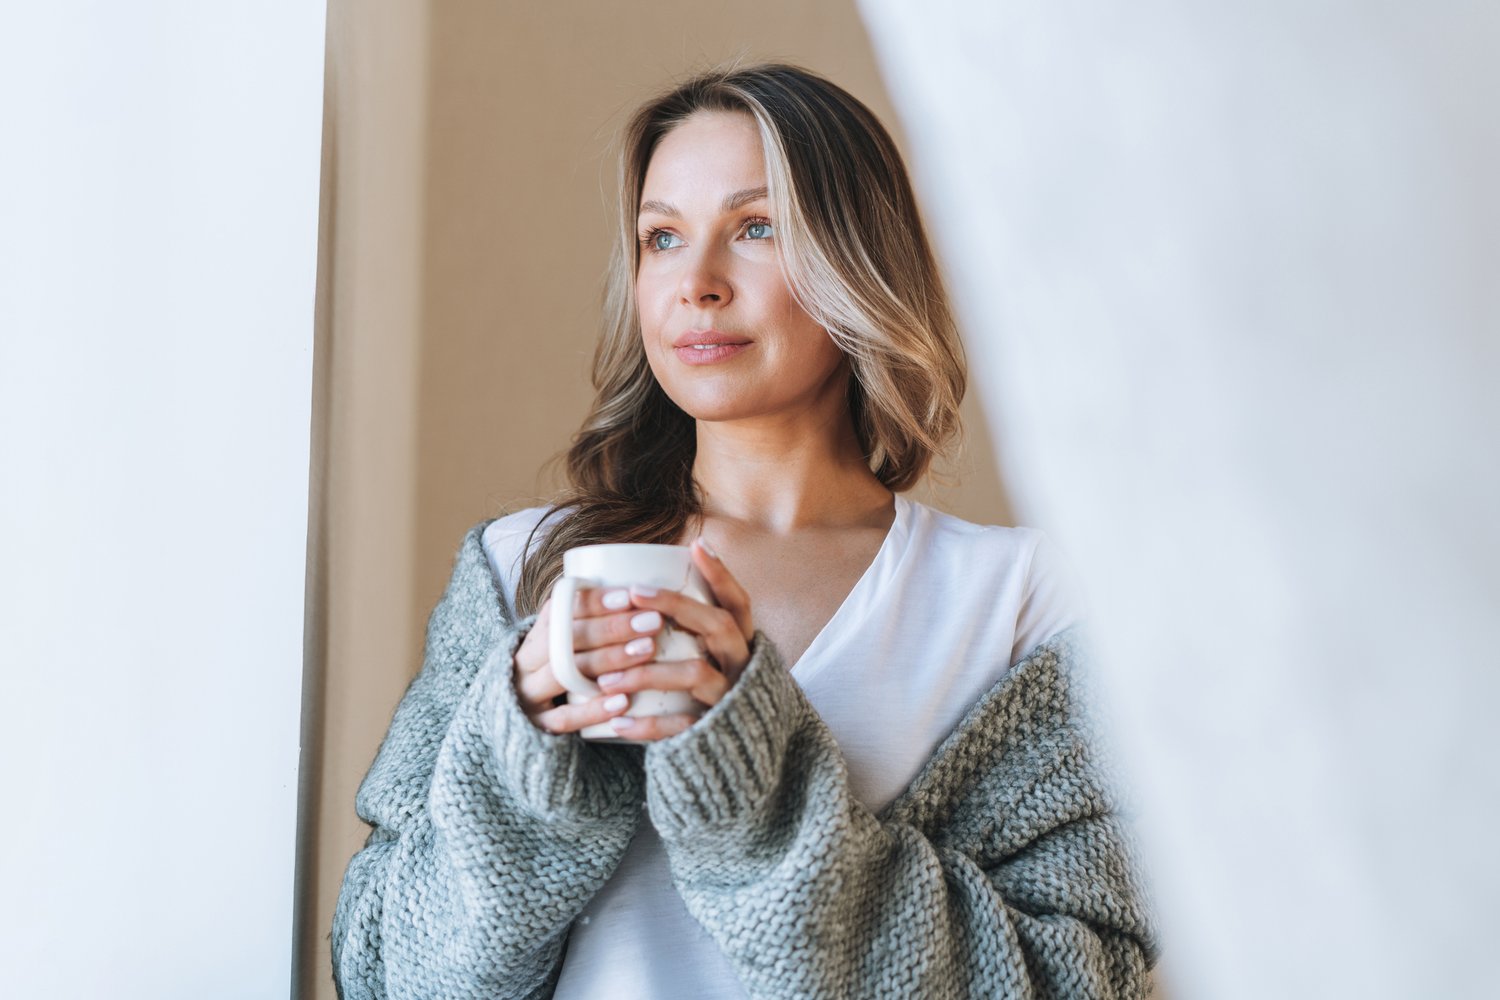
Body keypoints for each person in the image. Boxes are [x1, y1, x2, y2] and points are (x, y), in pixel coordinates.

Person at [331, 63, 1158, 1000]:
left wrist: (749, 778)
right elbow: (379, 971)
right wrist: (517, 755)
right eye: (662, 238)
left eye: (756, 228)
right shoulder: (517, 570)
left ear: (857, 259)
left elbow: (1069, 979)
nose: (697, 284)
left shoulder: (1022, 604)